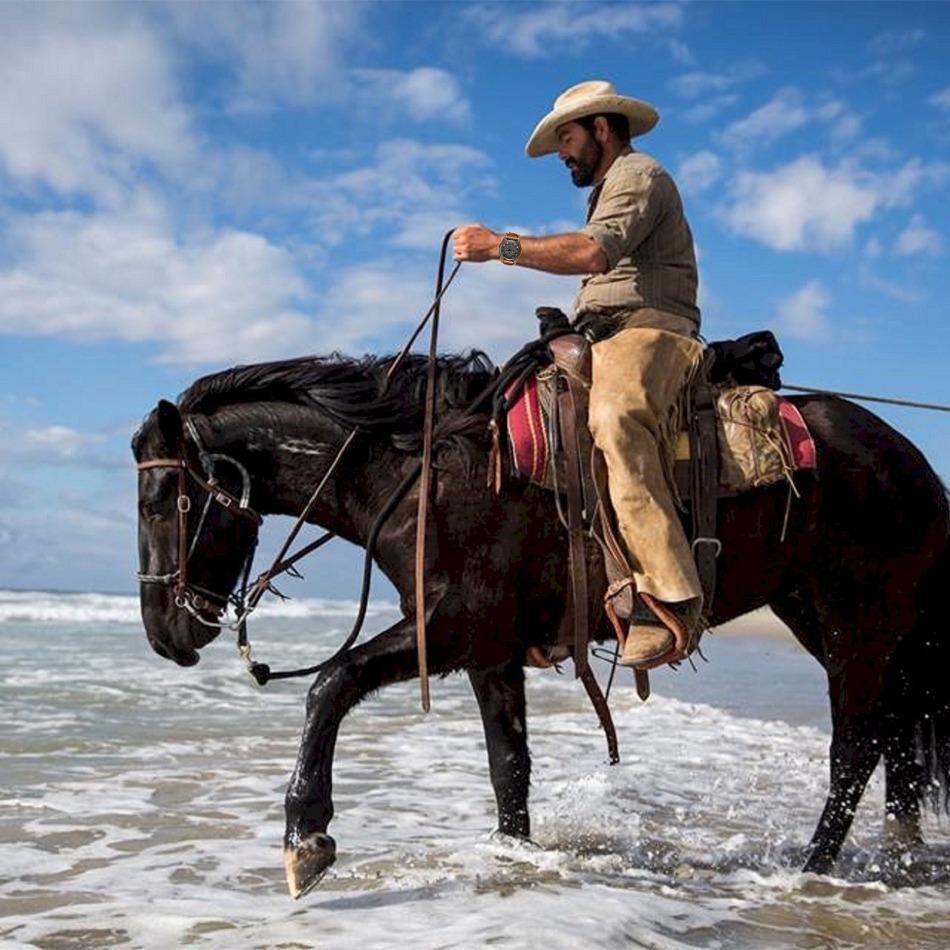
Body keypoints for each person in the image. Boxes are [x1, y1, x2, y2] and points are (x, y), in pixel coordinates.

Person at [452, 80, 704, 669]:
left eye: (566, 137)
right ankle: (566, 595)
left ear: (601, 128)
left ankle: (670, 597)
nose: (562, 152)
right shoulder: (606, 190)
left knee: (616, 421)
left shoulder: (641, 176)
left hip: (652, 330)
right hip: (600, 334)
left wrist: (500, 248)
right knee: (523, 421)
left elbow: (593, 255)